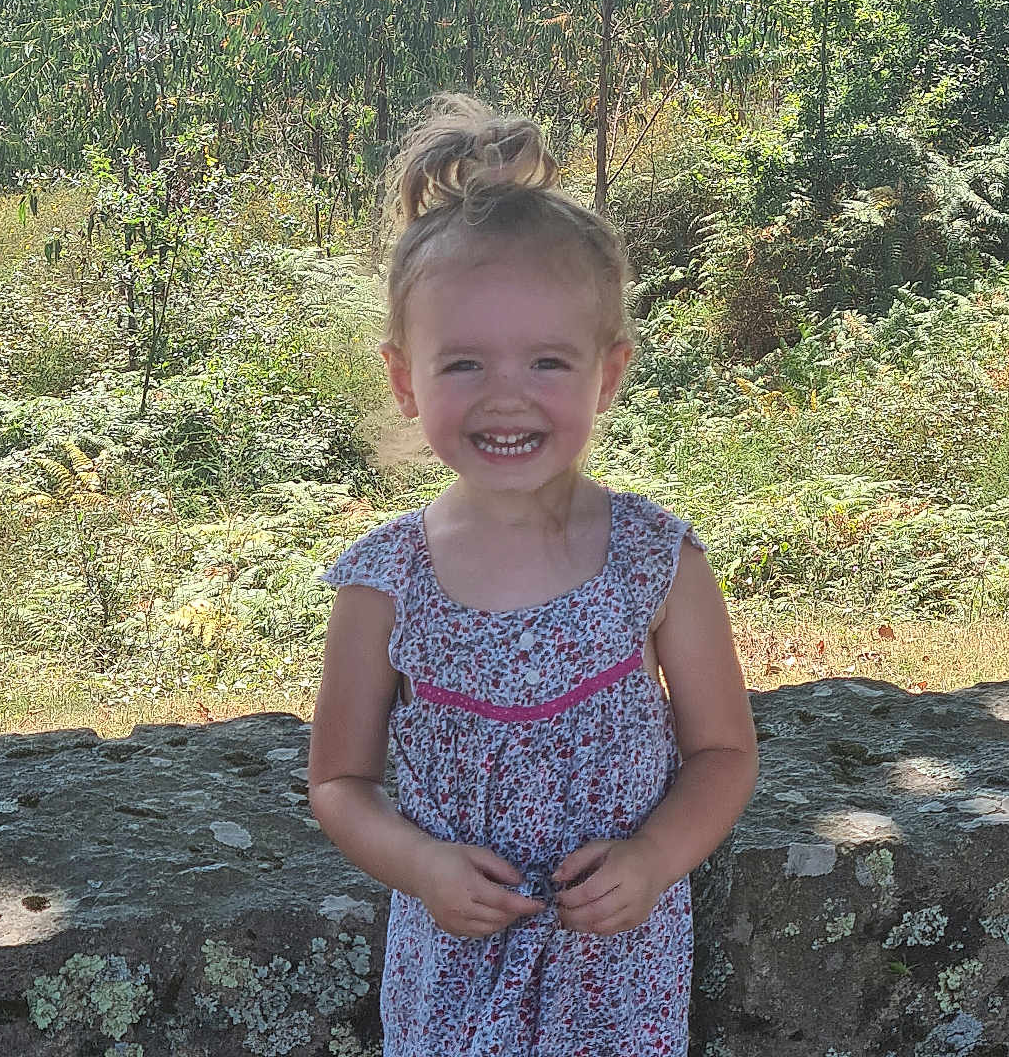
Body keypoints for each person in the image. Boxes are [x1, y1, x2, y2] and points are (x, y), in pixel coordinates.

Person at [307, 96, 758, 1056]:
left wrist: (653, 857)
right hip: (452, 987)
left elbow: (724, 753)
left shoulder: (657, 560)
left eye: (548, 361)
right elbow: (341, 783)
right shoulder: (383, 582)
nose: (506, 395)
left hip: (617, 983)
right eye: (463, 363)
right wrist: (422, 867)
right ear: (403, 378)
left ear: (608, 372)